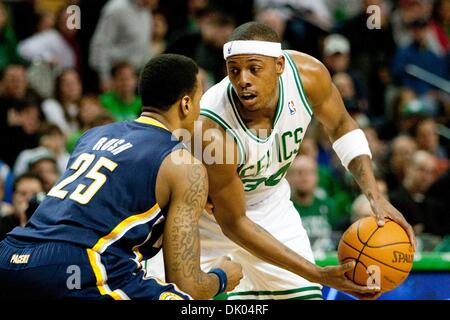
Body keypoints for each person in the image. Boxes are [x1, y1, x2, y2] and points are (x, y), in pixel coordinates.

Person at [149, 22, 415, 300]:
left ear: (279, 65)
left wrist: (375, 197)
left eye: (254, 68)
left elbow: (341, 126)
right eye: (234, 70)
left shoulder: (309, 76)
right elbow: (234, 223)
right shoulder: (212, 130)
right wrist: (317, 274)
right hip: (205, 222)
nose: (243, 80)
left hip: (270, 205)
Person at [0, 54, 242, 300]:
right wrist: (222, 277)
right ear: (186, 104)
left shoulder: (93, 136)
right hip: (77, 264)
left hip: (10, 254)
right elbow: (187, 284)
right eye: (200, 100)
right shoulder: (183, 164)